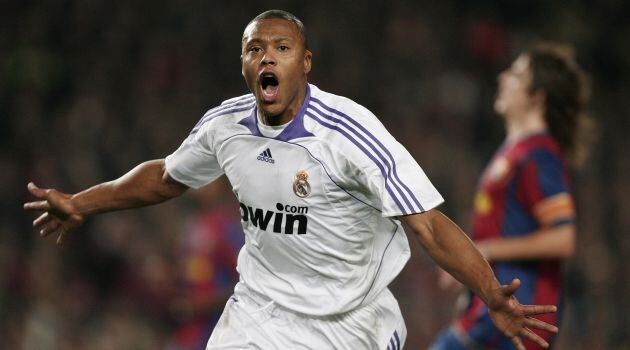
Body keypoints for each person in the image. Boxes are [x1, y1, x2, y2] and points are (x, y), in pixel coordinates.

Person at [24, 10, 558, 350]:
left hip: (350, 322)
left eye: (280, 48)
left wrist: (490, 293)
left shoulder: (349, 134)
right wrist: (83, 202)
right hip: (260, 313)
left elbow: (428, 226)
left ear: (305, 63)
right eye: (255, 48)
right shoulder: (224, 127)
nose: (266, 57)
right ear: (243, 63)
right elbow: (166, 177)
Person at [430, 43, 591, 349]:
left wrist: (486, 250)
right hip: (494, 315)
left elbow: (563, 238)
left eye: (517, 75)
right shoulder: (514, 154)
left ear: (537, 96)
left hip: (518, 317)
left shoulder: (538, 155)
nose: (503, 77)